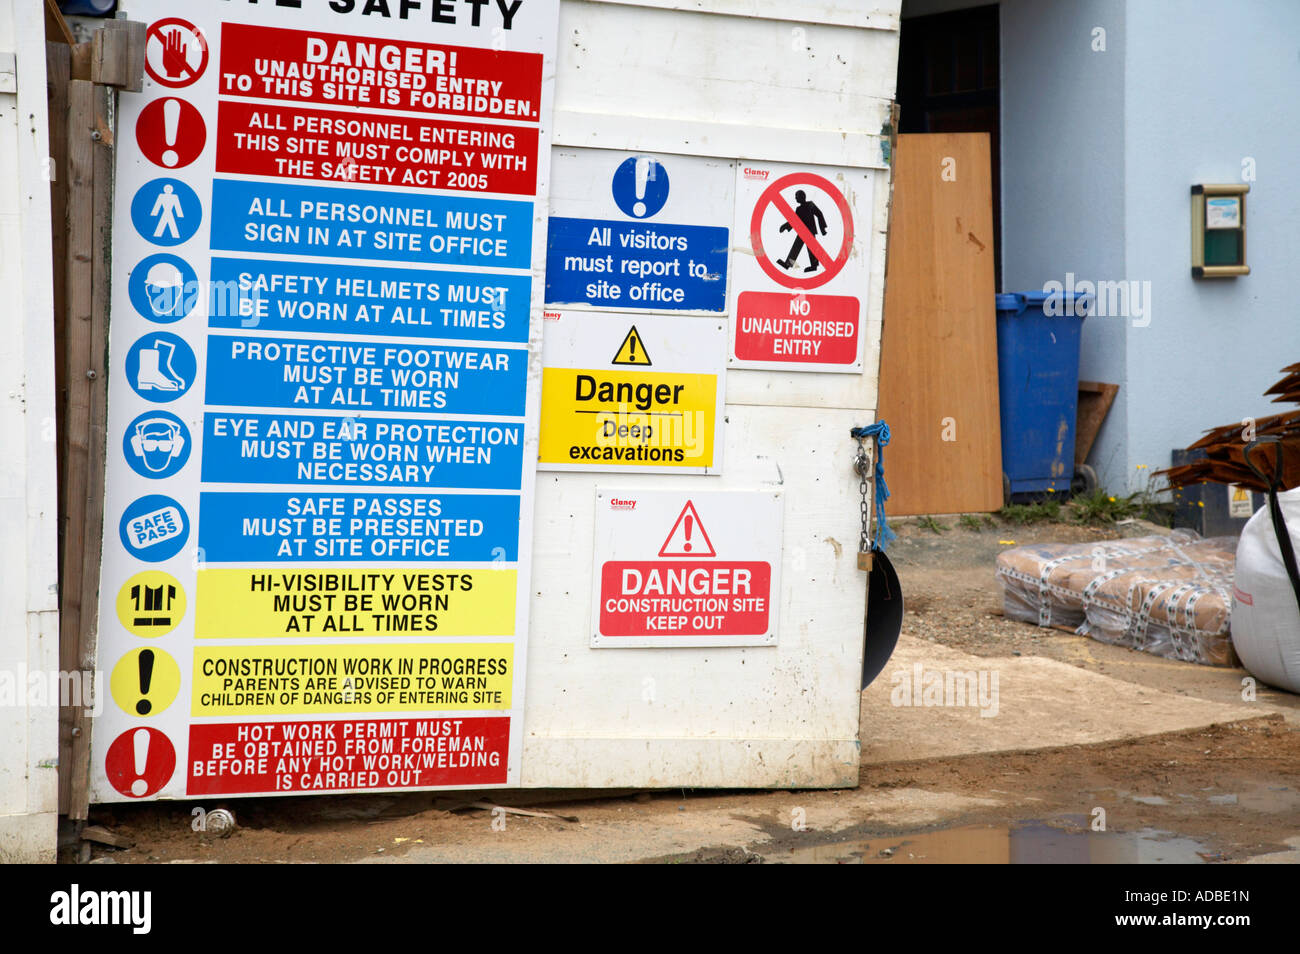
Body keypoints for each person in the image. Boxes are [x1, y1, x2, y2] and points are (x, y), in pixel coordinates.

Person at [777, 190, 827, 272]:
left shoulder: (810, 204)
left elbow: (819, 214)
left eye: (796, 196)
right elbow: (794, 220)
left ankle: (812, 266)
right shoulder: (799, 209)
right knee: (799, 248)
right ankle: (790, 264)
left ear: (801, 197)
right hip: (802, 231)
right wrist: (785, 226)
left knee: (808, 249)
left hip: (809, 231)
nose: (795, 198)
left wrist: (823, 229)